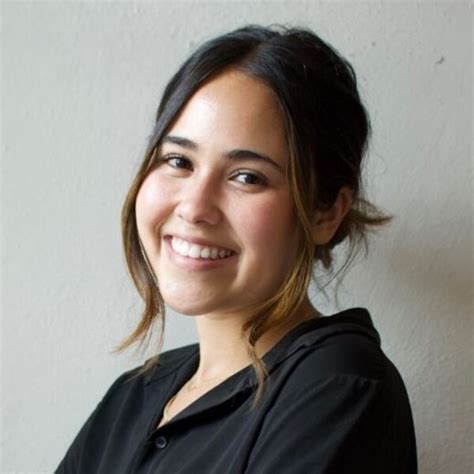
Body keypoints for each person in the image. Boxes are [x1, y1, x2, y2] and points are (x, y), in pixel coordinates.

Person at [56, 24, 417, 473]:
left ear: (326, 212)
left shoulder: (338, 388)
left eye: (247, 176)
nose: (194, 207)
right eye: (178, 161)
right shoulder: (132, 396)